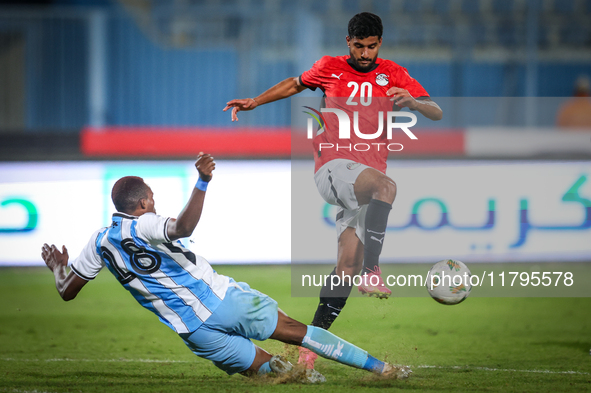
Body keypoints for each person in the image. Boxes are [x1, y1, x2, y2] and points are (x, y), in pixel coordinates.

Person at [41, 153, 411, 383]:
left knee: (285, 376)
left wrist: (59, 268)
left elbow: (67, 290)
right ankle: (383, 369)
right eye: (152, 197)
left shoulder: (98, 241)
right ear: (143, 201)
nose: (154, 201)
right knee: (300, 333)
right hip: (223, 300)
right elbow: (183, 227)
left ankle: (315, 381)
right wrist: (202, 181)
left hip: (195, 332)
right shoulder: (146, 222)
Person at [223, 12, 442, 368]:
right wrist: (254, 102)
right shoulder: (330, 67)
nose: (365, 53)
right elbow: (295, 83)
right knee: (387, 187)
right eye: (359, 46)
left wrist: (415, 103)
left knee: (345, 268)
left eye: (371, 47)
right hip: (333, 168)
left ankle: (307, 351)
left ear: (379, 44)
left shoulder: (395, 74)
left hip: (363, 181)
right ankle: (374, 269)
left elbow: (436, 112)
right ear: (348, 42)